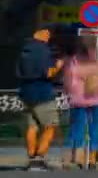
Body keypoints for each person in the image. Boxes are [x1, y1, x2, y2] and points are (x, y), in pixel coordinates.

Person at [16, 26, 64, 171]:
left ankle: (31, 159)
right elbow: (48, 73)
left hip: (26, 93)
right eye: (48, 35)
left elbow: (18, 71)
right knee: (51, 125)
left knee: (32, 126)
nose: (49, 38)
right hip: (42, 93)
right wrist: (58, 66)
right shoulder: (44, 51)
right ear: (43, 35)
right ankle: (39, 158)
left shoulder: (24, 50)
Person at [64, 42, 98, 170]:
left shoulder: (74, 62)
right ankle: (92, 160)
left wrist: (69, 92)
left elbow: (68, 82)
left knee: (77, 128)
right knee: (95, 129)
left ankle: (75, 159)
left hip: (78, 99)